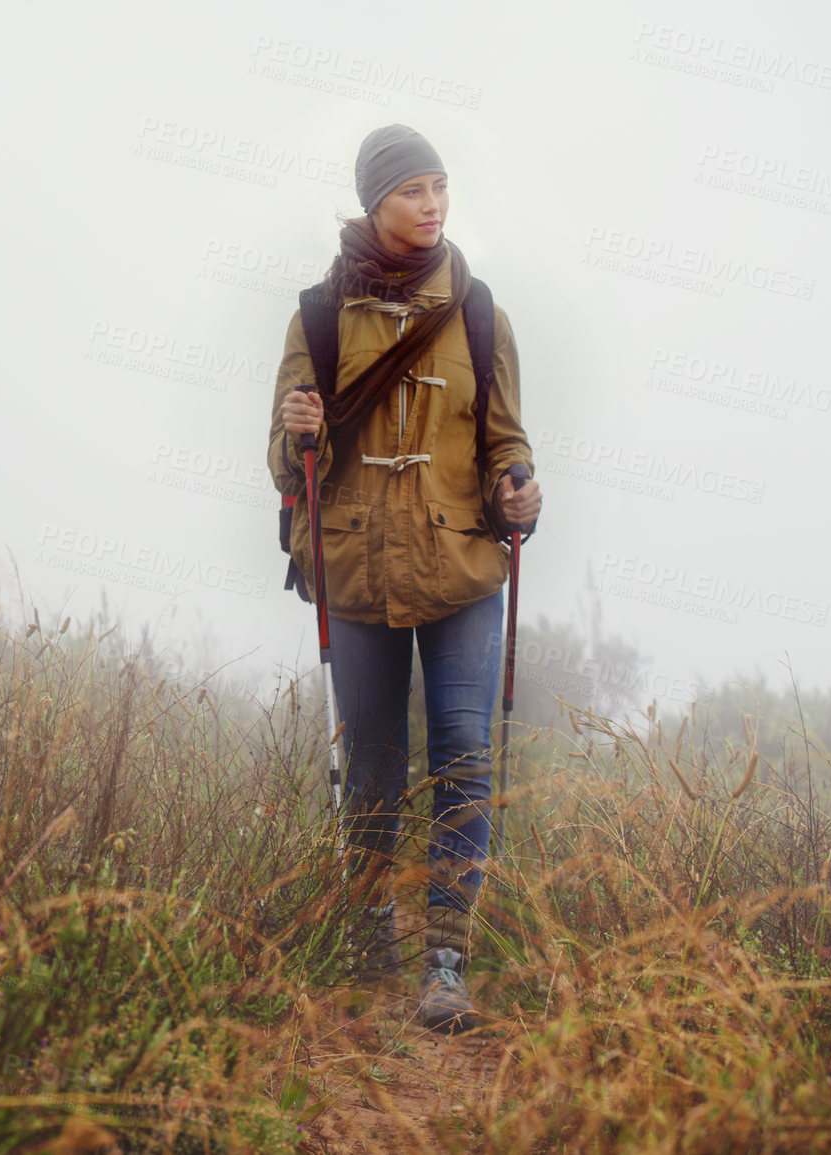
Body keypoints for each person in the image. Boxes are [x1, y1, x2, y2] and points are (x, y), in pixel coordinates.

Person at [265, 124, 542, 1031]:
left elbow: (503, 435)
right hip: (356, 566)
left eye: (440, 187)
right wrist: (300, 433)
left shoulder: (478, 312)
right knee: (375, 767)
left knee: (464, 755)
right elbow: (282, 458)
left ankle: (447, 963)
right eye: (412, 191)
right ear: (372, 202)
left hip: (460, 562)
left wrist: (518, 487)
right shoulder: (316, 315)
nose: (432, 206)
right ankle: (371, 931)